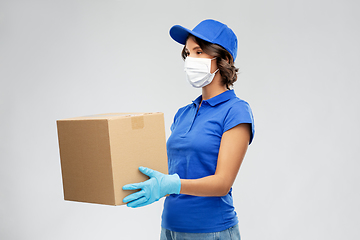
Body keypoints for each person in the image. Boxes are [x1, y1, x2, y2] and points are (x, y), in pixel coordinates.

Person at [123, 19, 255, 240]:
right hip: (170, 228)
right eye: (188, 53)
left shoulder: (236, 111)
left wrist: (172, 184)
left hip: (211, 231)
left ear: (224, 59)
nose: (190, 60)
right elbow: (169, 170)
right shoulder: (183, 113)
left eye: (199, 51)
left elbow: (222, 183)